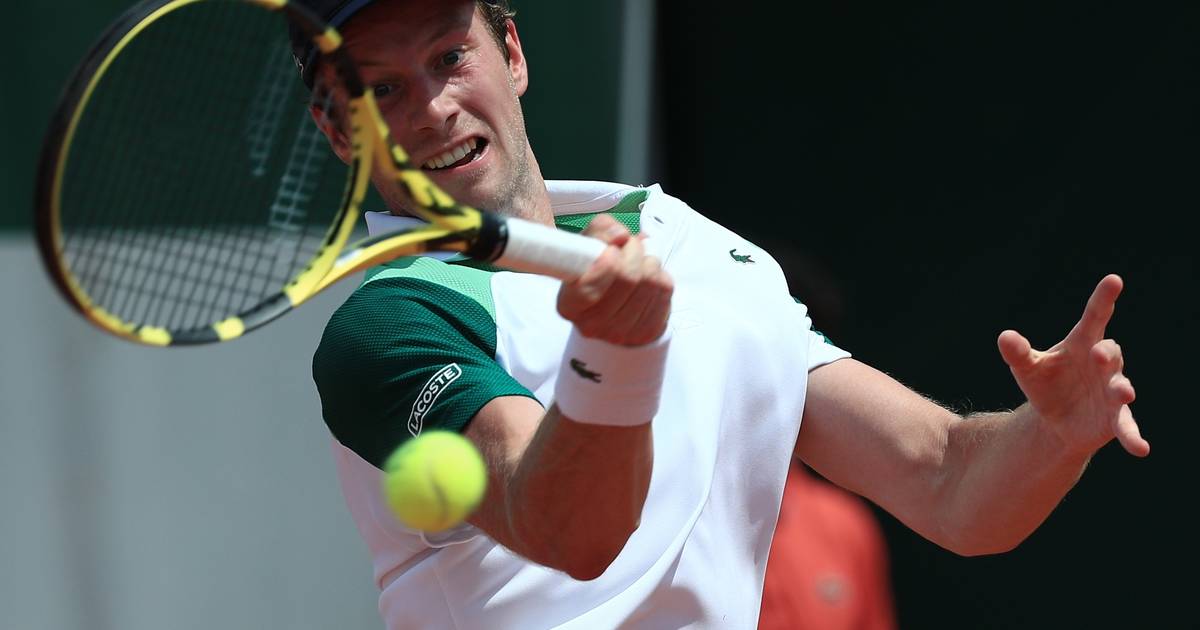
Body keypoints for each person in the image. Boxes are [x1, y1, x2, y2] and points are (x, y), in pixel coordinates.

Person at [301, 1, 1149, 628]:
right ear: (340, 132)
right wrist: (615, 356)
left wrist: (1050, 436)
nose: (433, 107)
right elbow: (567, 530)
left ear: (512, 53)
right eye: (382, 90)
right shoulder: (389, 327)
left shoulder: (688, 242)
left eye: (451, 56)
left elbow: (948, 484)